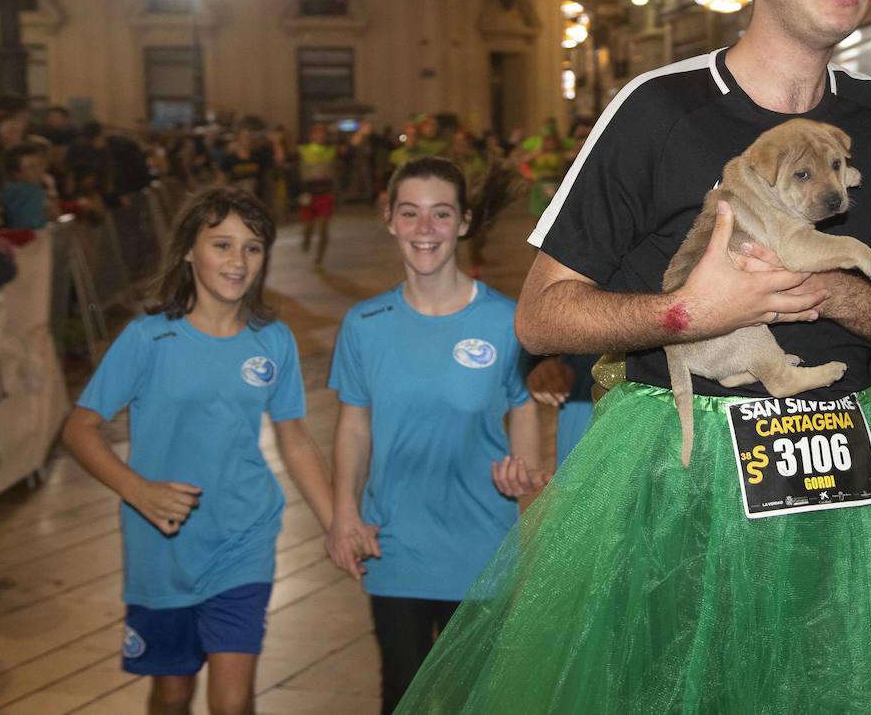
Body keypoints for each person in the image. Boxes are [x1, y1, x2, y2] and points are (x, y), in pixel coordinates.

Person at [397, 0, 871, 713]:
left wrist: (824, 290)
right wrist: (687, 314)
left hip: (839, 481)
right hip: (677, 476)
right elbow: (543, 316)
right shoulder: (657, 111)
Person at [60, 187, 334, 715]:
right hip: (160, 549)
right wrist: (137, 491)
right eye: (222, 245)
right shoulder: (148, 339)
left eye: (253, 248)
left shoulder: (272, 340)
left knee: (232, 703)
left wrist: (337, 523)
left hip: (244, 537)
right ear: (189, 250)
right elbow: (79, 429)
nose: (238, 261)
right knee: (173, 693)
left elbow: (294, 438)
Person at [324, 157, 544, 715]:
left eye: (441, 214)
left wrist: (524, 464)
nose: (425, 229)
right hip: (393, 544)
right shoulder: (364, 325)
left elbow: (522, 405)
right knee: (401, 696)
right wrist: (344, 513)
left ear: (464, 222)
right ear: (390, 220)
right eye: (411, 213)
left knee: (475, 701)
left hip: (480, 549)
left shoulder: (505, 321)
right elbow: (354, 424)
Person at [297, 124, 338, 272]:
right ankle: (306, 239)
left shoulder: (331, 151)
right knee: (308, 227)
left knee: (323, 230)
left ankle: (319, 260)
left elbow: (350, 148)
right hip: (308, 194)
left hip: (325, 194)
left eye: (323, 134)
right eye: (318, 134)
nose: (321, 137)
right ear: (312, 136)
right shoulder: (303, 151)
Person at [0, 142, 58, 230]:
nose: (39, 170)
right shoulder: (30, 192)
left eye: (40, 165)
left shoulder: (5, 190)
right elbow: (32, 227)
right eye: (32, 167)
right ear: (16, 173)